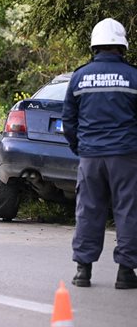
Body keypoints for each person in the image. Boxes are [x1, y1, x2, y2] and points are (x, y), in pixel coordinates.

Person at [62, 17, 137, 290]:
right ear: (122, 47)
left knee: (88, 211)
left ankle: (83, 271)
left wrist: (79, 148)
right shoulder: (133, 76)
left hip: (90, 157)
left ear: (94, 46)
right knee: (128, 211)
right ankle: (126, 273)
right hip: (126, 156)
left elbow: (68, 120)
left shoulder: (80, 76)